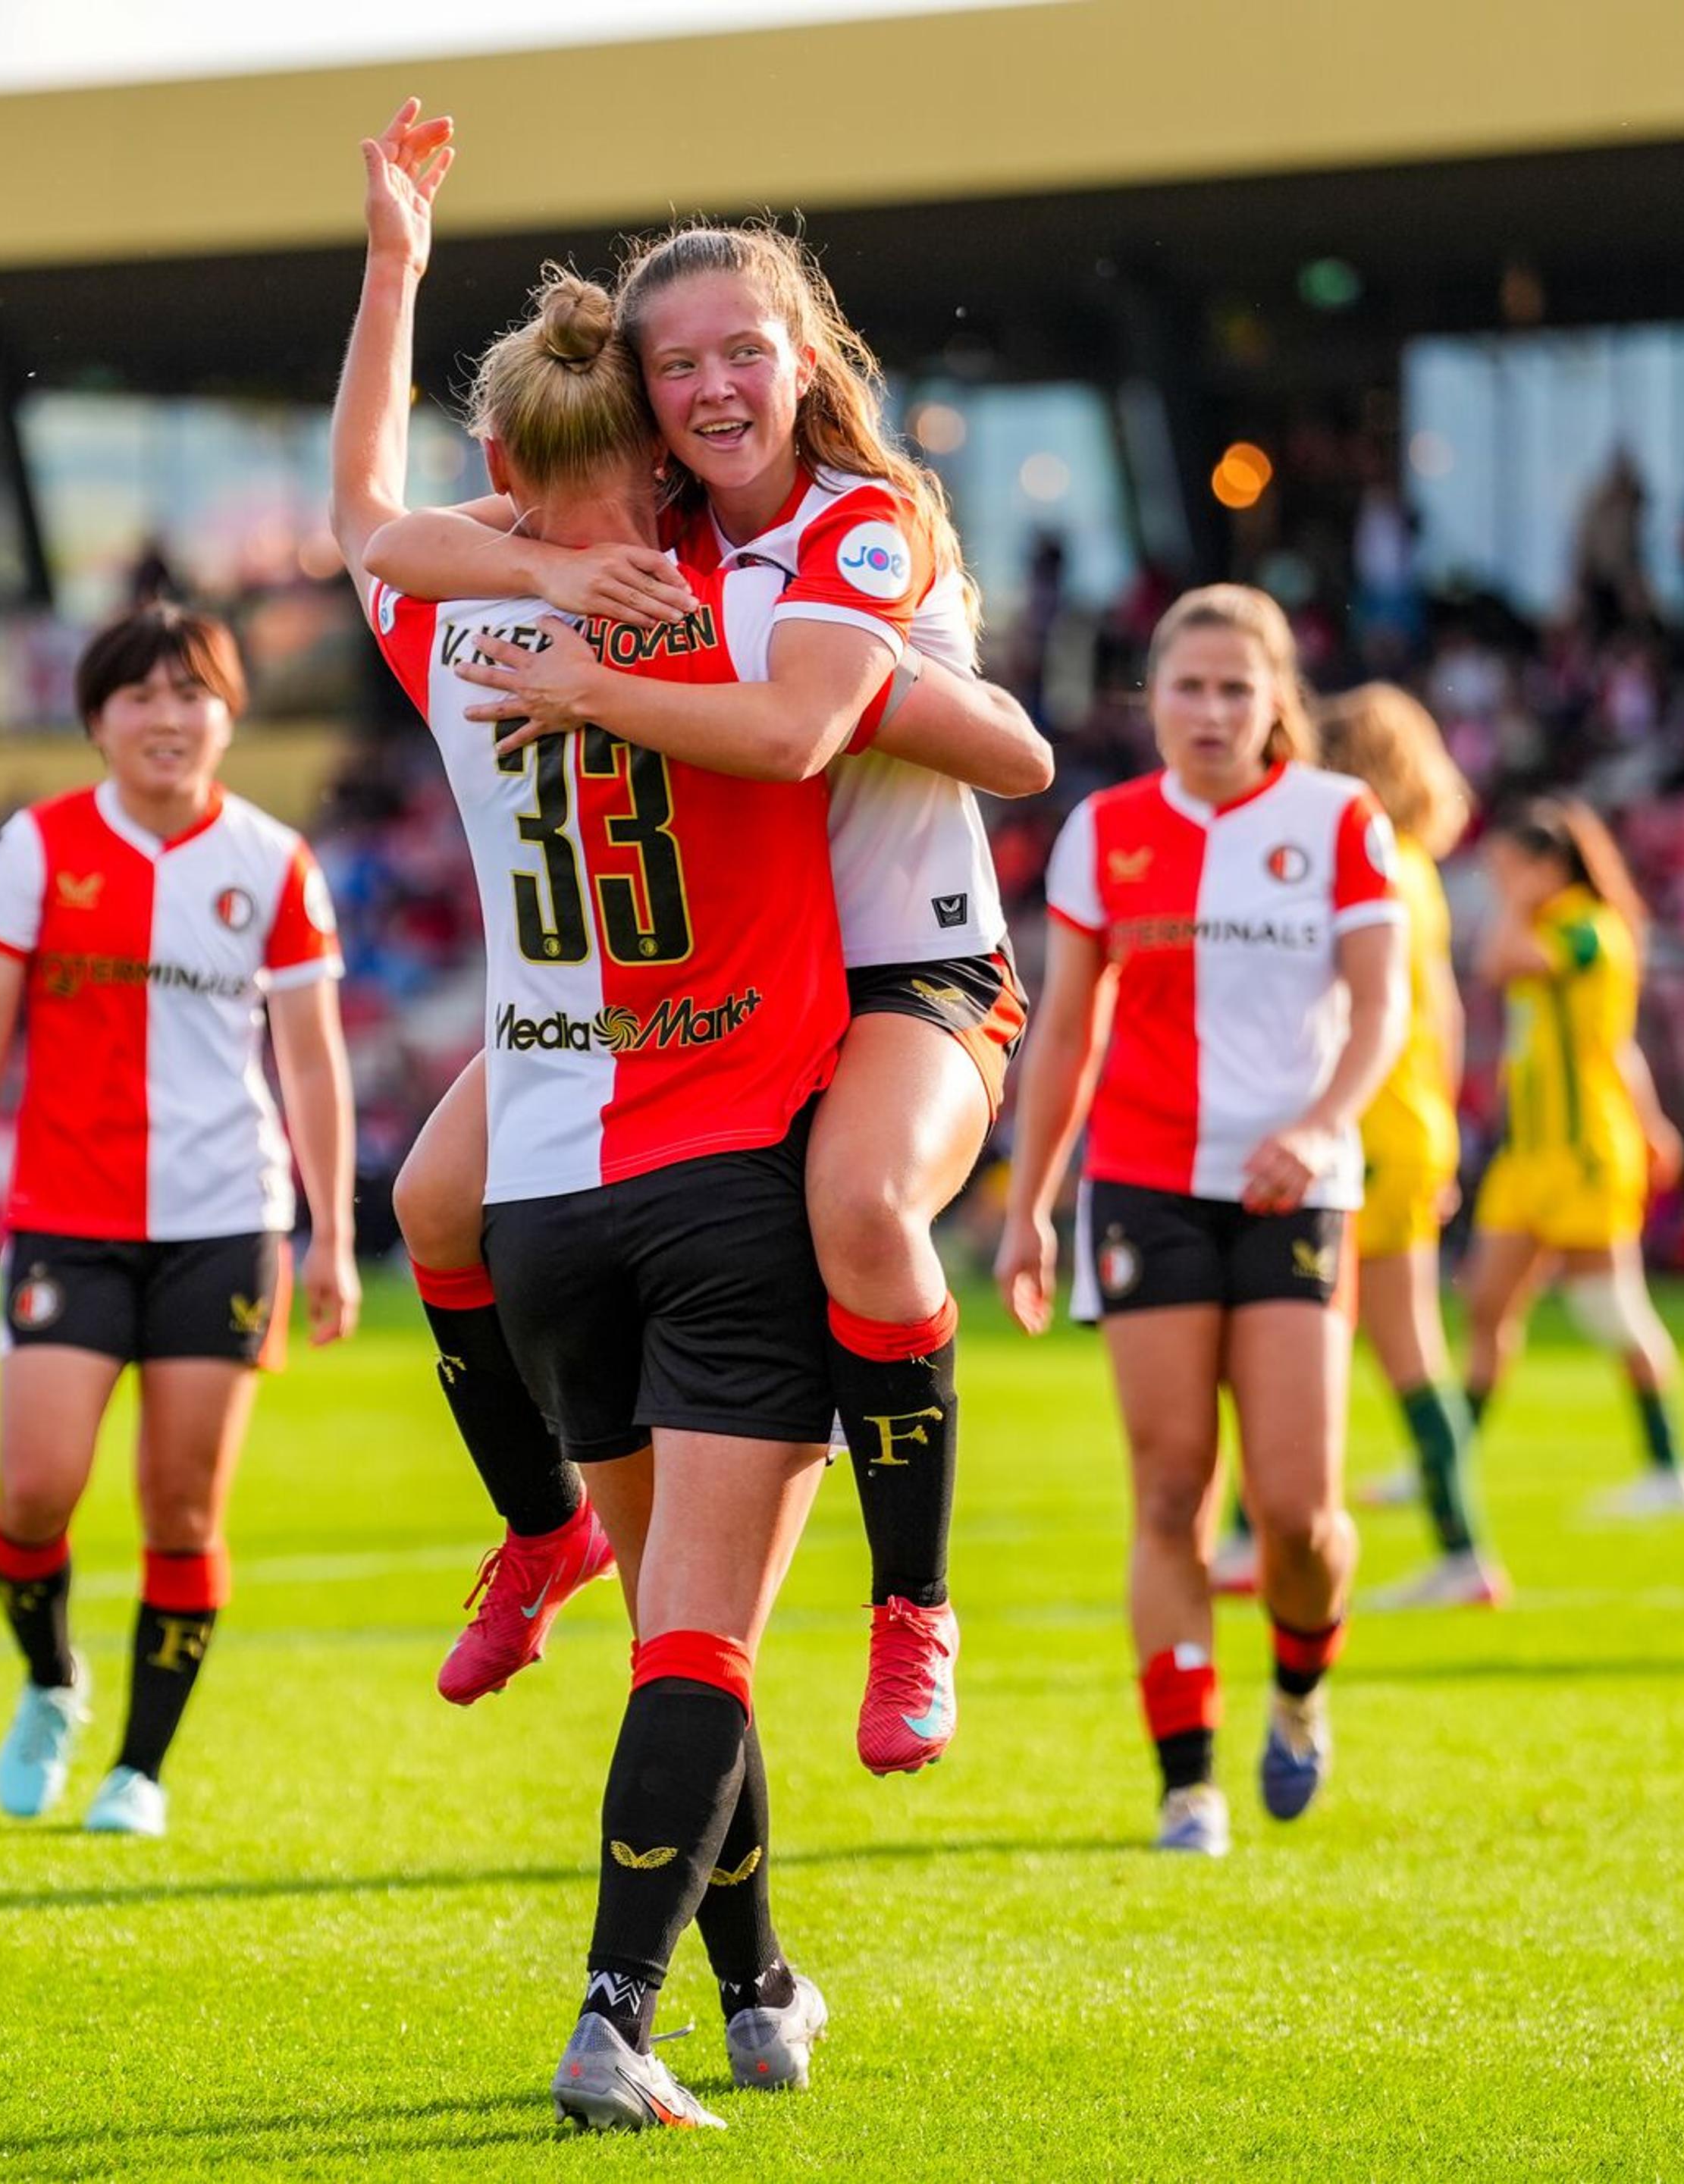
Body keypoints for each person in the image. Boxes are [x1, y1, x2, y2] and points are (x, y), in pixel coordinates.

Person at [329, 102, 1038, 2129]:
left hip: (882, 979)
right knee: (432, 1202)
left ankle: (912, 1605)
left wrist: (567, 647)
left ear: (802, 357)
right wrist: (584, 595)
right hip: (675, 1051)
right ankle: (547, 1565)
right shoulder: (678, 568)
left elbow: (905, 729)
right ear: (632, 420)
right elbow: (419, 527)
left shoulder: (832, 533)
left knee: (860, 1216)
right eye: (675, 369)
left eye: (744, 351)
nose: (715, 388)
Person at [0, 601, 357, 1837]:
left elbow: (311, 1063)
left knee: (181, 1508)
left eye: (191, 693)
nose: (168, 718)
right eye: (139, 696)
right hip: (66, 1213)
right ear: (96, 719)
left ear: (229, 712)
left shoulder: (272, 861)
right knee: (35, 1491)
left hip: (226, 1219)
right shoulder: (38, 847)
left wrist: (332, 1233)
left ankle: (138, 1770)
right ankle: (51, 1682)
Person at [996, 584, 1406, 1858]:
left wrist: (1319, 1124)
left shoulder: (1339, 821)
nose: (1212, 711)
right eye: (1188, 687)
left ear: (1277, 699)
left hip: (1292, 1189)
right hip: (1141, 1181)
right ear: (1151, 700)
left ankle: (1296, 1690)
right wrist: (1025, 1207)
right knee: (1168, 1486)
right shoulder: (1103, 832)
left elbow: (1380, 1007)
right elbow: (1062, 1030)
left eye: (1237, 688)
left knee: (1296, 1513)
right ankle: (1186, 1784)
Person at [1462, 799, 1684, 1517]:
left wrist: (1514, 902)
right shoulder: (1554, 926)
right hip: (1529, 1155)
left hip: (1583, 1153)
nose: (1500, 884)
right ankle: (1449, 1458)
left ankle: (1671, 1467)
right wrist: (1655, 1119)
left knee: (1610, 1311)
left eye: (1510, 869)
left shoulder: (1587, 932)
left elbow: (1498, 962)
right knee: (1484, 1304)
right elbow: (1619, 1046)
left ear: (1548, 867)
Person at [1326, 685, 1504, 1607]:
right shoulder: (1416, 868)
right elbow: (1443, 1014)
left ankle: (1461, 1549)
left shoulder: (1367, 868)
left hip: (1369, 1129)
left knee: (1376, 1342)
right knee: (1344, 1331)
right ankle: (1250, 1530)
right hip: (1406, 1125)